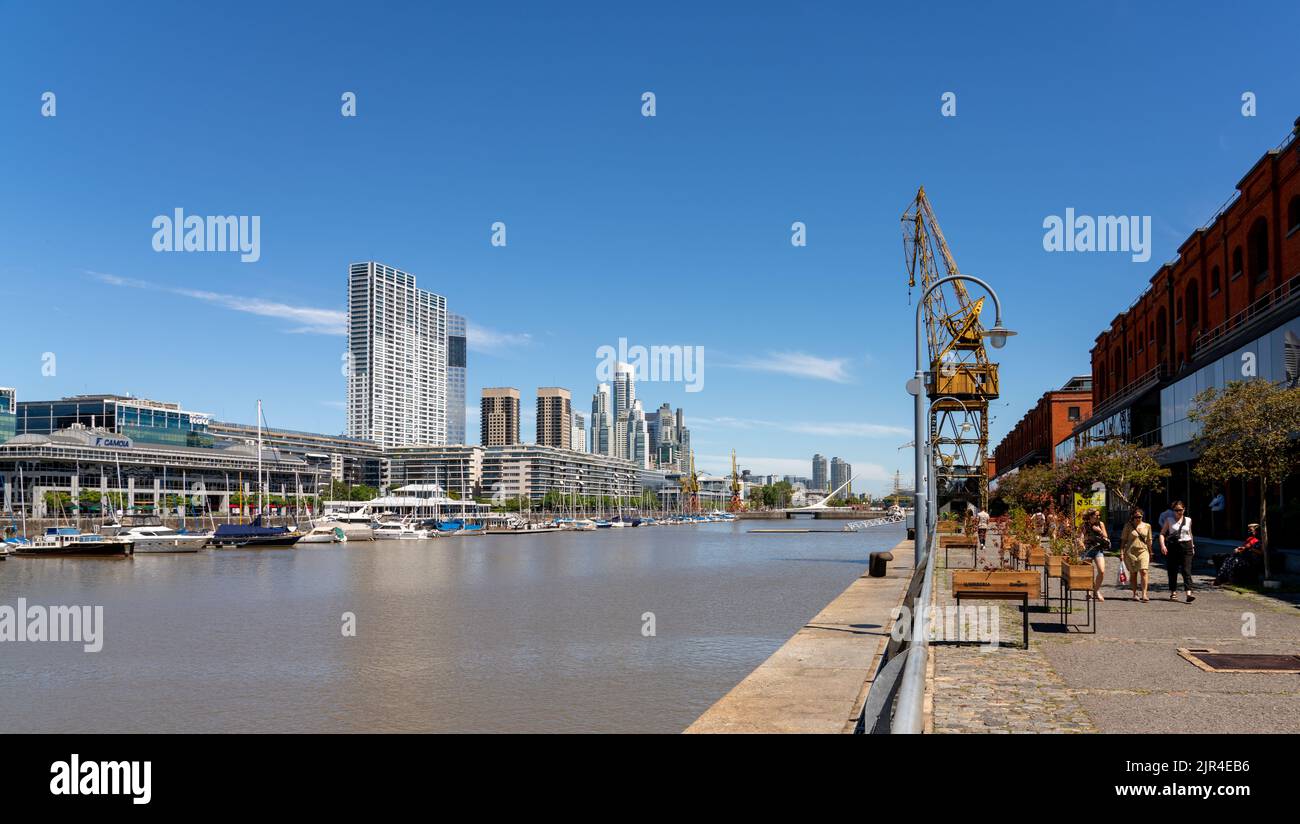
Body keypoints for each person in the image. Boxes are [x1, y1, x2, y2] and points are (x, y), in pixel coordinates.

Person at [1159, 500, 1196, 602]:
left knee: (1186, 570)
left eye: (1180, 510)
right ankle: (1173, 592)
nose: (1178, 512)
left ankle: (1189, 593)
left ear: (1184, 509)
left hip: (1186, 546)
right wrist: (1163, 546)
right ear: (1173, 511)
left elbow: (1190, 533)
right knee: (1172, 570)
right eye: (1176, 510)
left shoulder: (1188, 520)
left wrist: (1192, 546)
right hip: (1173, 547)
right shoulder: (1169, 520)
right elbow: (1162, 534)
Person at [1120, 509, 1153, 601]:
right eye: (1135, 517)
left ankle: (1144, 594)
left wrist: (1151, 552)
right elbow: (1123, 540)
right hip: (1130, 552)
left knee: (1144, 571)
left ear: (1142, 517)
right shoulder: (1128, 526)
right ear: (1132, 517)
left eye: (1139, 517)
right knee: (1133, 573)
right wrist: (1121, 552)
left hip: (1143, 551)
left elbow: (1149, 540)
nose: (1137, 519)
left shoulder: (1147, 526)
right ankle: (1135, 593)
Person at [1077, 509, 1110, 601]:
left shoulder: (1101, 524)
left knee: (1102, 571)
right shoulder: (1084, 525)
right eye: (1096, 515)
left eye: (1099, 515)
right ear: (1090, 516)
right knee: (1088, 572)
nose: (1098, 517)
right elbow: (1080, 537)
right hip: (1087, 550)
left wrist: (1099, 531)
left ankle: (1096, 590)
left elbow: (1106, 537)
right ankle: (1088, 593)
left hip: (1098, 550)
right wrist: (1081, 543)